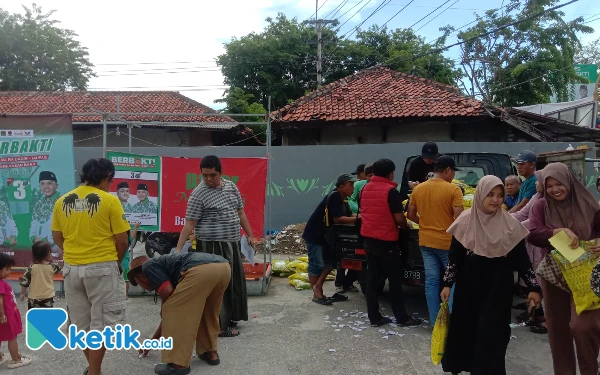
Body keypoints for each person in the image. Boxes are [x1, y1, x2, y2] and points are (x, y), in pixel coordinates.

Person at [440, 176, 541, 375]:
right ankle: (469, 366)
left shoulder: (510, 224)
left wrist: (533, 287)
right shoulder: (465, 221)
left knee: (493, 332)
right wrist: (447, 284)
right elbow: (455, 257)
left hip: (498, 286)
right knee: (466, 329)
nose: (495, 200)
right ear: (480, 195)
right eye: (490, 195)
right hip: (469, 286)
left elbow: (521, 259)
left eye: (500, 195)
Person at [51, 158, 130, 375]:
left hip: (71, 270)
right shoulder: (109, 201)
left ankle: (94, 369)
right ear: (107, 178)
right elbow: (122, 240)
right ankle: (95, 372)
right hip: (102, 268)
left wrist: (74, 252)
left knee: (82, 327)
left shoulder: (62, 201)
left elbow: (57, 237)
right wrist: (116, 262)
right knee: (102, 326)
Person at [528, 163, 600, 375]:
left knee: (584, 327)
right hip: (555, 275)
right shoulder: (541, 206)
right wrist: (557, 231)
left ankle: (589, 370)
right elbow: (533, 233)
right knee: (558, 329)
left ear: (569, 181)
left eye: (559, 183)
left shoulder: (590, 205)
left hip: (587, 275)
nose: (554, 189)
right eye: (549, 185)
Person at [173, 155, 253, 338]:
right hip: (210, 248)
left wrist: (250, 234)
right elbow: (189, 224)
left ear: (221, 172)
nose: (209, 179)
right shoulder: (198, 194)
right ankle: (218, 325)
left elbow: (240, 213)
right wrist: (178, 248)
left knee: (233, 283)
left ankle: (231, 317)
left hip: (232, 244)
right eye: (205, 175)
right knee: (217, 287)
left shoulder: (232, 188)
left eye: (213, 175)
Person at [128, 252, 230, 375]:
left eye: (138, 283)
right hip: (223, 267)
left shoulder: (148, 266)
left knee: (174, 312)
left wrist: (164, 309)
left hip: (199, 271)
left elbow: (168, 295)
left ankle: (178, 364)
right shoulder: (167, 267)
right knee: (207, 312)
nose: (142, 288)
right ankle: (210, 353)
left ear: (141, 276)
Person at [360, 159, 421, 327]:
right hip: (386, 242)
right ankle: (402, 317)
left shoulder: (364, 188)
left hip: (368, 240)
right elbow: (399, 218)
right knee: (395, 281)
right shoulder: (390, 191)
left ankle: (374, 317)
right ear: (390, 173)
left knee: (372, 279)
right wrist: (405, 225)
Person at [407, 156, 463, 325]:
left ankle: (434, 322)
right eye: (453, 172)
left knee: (431, 281)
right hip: (447, 243)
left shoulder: (419, 189)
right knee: (451, 281)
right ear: (447, 170)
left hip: (425, 241)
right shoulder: (454, 190)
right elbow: (459, 219)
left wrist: (424, 223)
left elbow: (410, 215)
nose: (453, 175)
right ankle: (450, 322)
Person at [302, 173, 357, 305]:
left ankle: (318, 287)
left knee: (332, 261)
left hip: (326, 237)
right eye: (350, 185)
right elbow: (337, 219)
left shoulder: (343, 199)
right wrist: (359, 218)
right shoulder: (336, 196)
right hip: (315, 235)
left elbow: (349, 215)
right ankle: (317, 294)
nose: (353, 188)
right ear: (342, 187)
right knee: (316, 264)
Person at [510, 171, 548, 333]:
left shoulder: (548, 201)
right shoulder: (537, 196)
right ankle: (535, 313)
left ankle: (545, 318)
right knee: (533, 278)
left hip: (543, 244)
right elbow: (523, 213)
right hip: (531, 243)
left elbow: (533, 222)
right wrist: (503, 218)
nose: (536, 183)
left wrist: (509, 227)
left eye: (539, 181)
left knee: (544, 282)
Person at [0, 253, 32, 369]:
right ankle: (16, 359)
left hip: (3, 316)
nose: (9, 272)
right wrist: (2, 314)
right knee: (12, 336)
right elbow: (0, 299)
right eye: (7, 269)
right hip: (7, 316)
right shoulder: (1, 284)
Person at [19, 241, 61, 309]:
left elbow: (25, 282)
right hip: (48, 296)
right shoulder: (52, 267)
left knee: (33, 316)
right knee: (47, 316)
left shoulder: (31, 268)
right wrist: (51, 260)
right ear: (49, 253)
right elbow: (59, 268)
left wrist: (22, 293)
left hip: (34, 297)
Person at [29, 171, 60, 250]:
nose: (46, 187)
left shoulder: (61, 202)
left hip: (57, 246)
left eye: (49, 183)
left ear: (56, 186)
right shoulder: (39, 204)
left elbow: (63, 227)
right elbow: (33, 223)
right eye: (42, 184)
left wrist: (47, 240)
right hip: (39, 246)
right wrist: (34, 239)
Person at [123, 222, 141, 299]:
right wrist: (136, 227)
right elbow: (133, 235)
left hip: (118, 263)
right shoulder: (127, 240)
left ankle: (124, 295)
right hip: (125, 263)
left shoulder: (117, 241)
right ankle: (126, 295)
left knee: (119, 280)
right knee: (125, 280)